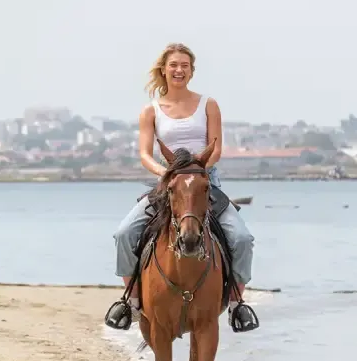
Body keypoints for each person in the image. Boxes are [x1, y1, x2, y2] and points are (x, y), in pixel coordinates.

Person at [103, 42, 260, 333]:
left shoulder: (209, 104)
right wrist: (167, 172)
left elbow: (216, 148)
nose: (179, 70)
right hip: (168, 184)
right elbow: (144, 154)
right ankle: (132, 301)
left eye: (184, 66)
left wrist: (195, 171)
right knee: (124, 233)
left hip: (205, 182)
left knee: (242, 239)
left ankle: (238, 303)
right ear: (163, 69)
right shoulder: (150, 111)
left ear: (191, 71)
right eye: (174, 65)